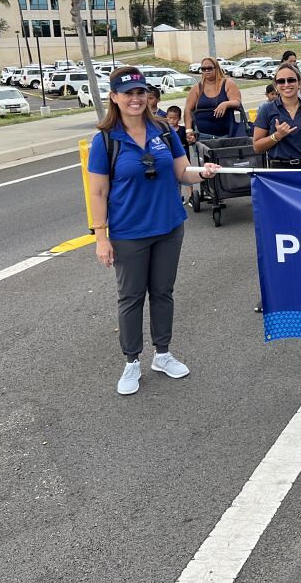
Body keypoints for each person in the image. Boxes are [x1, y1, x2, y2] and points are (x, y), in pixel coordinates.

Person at [88, 67, 219, 395]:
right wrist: (101, 238)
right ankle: (132, 360)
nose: (135, 99)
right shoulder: (105, 140)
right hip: (128, 233)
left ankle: (163, 354)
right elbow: (98, 193)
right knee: (131, 297)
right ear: (114, 97)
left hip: (168, 226)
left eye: (140, 93)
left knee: (163, 292)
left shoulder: (163, 130)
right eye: (128, 93)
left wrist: (203, 173)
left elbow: (182, 172)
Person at [253, 63, 301, 168]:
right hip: (279, 170)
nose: (286, 84)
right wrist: (277, 136)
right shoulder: (267, 109)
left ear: (299, 84)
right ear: (276, 86)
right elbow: (257, 147)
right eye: (281, 81)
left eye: (291, 80)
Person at [183, 58, 243, 143]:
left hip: (226, 136)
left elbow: (237, 102)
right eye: (203, 69)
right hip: (202, 136)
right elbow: (188, 109)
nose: (207, 71)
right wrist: (188, 130)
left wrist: (226, 104)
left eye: (210, 68)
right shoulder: (197, 88)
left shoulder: (228, 83)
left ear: (216, 68)